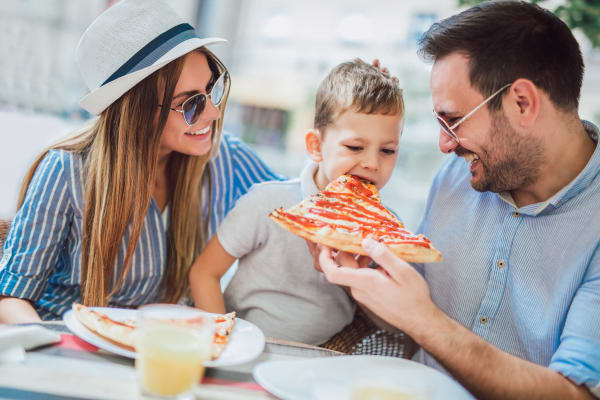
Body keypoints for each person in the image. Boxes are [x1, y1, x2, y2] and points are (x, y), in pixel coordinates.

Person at [312, 1, 600, 399]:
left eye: (453, 119)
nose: (444, 145)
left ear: (522, 103)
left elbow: (575, 394)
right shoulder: (458, 175)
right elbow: (407, 318)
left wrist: (424, 320)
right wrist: (357, 280)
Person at [0, 0, 281, 323]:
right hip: (69, 342)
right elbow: (11, 297)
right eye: (191, 103)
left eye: (211, 90)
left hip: (158, 347)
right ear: (138, 112)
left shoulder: (223, 157)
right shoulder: (65, 171)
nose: (214, 113)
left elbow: (297, 206)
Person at [189, 59, 405, 345]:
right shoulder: (268, 203)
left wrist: (355, 277)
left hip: (326, 358)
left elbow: (389, 324)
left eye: (387, 150)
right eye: (355, 147)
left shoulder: (386, 229)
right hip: (245, 346)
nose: (372, 163)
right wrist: (221, 345)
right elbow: (204, 272)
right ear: (316, 146)